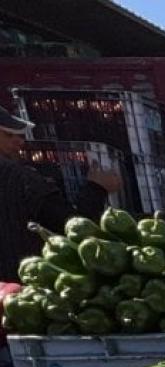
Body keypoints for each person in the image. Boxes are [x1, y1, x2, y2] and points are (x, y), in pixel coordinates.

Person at [0, 107, 123, 282]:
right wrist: (97, 188)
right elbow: (75, 228)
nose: (20, 142)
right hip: (20, 289)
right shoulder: (20, 179)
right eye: (9, 135)